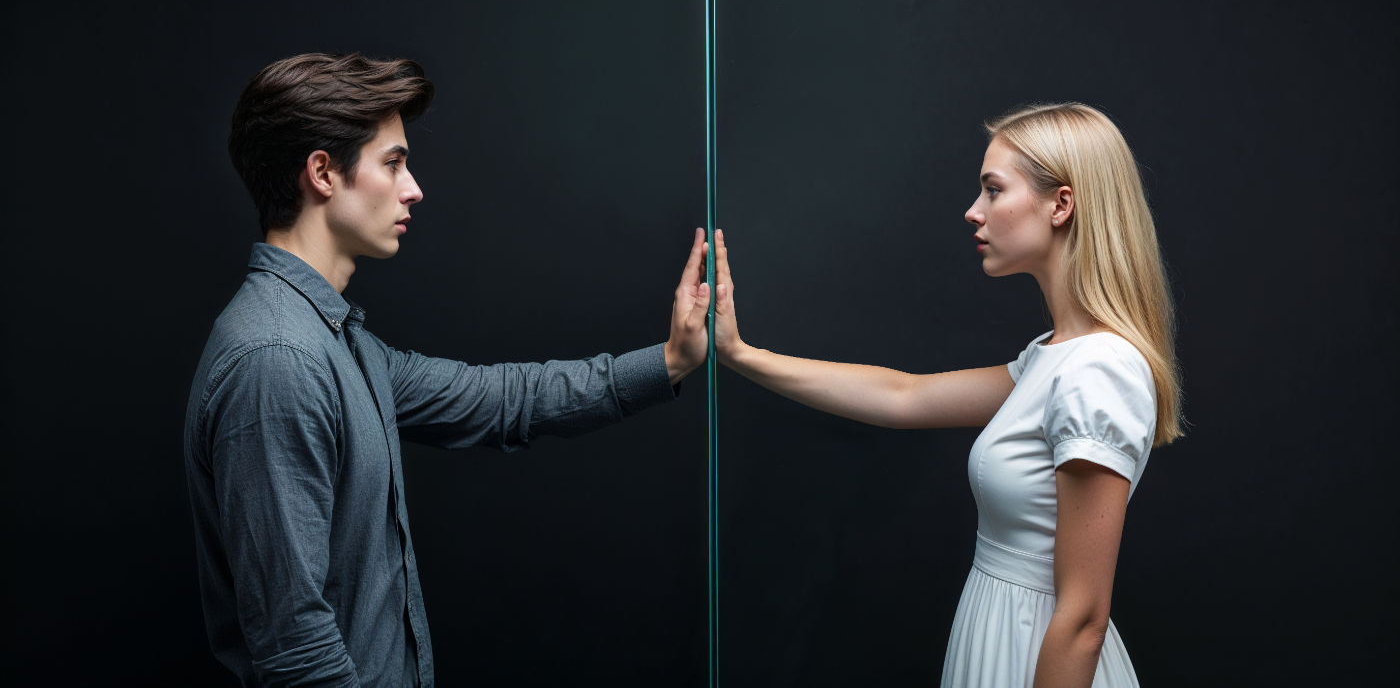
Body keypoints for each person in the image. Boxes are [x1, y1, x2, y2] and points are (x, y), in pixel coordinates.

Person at [183, 52, 712, 686]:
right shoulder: (278, 361)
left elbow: (497, 400)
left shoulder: (332, 341)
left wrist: (670, 360)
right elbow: (297, 651)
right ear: (322, 173)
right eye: (393, 162)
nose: (414, 188)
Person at [711, 102, 1181, 687]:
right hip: (1002, 636)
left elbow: (1084, 617)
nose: (972, 211)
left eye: (992, 190)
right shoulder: (1053, 358)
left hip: (1039, 656)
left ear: (1062, 204)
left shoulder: (1099, 370)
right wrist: (737, 351)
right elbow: (904, 397)